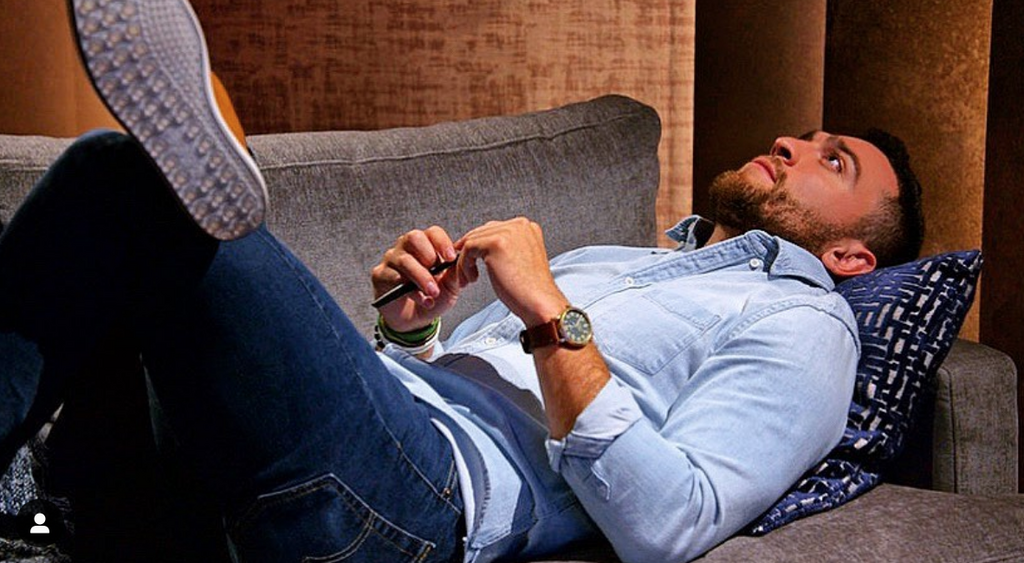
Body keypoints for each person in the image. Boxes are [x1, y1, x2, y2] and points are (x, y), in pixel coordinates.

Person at [0, 0, 925, 562]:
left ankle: (189, 194)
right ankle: (52, 492)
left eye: (832, 161)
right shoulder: (631, 262)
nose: (790, 143)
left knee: (118, 180)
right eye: (805, 136)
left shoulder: (807, 326)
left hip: (416, 501)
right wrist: (412, 332)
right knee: (114, 237)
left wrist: (550, 311)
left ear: (852, 257)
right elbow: (478, 384)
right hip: (357, 441)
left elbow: (670, 523)